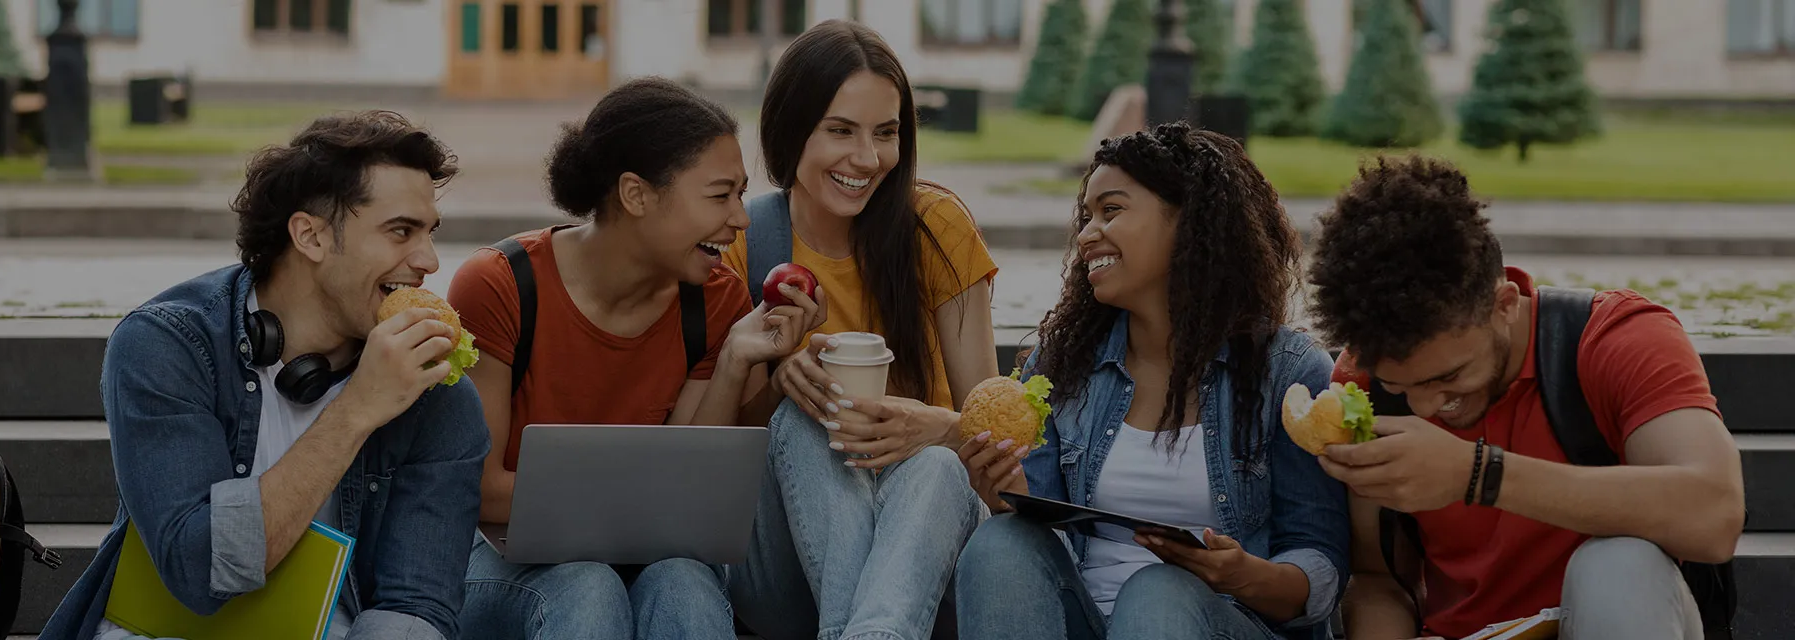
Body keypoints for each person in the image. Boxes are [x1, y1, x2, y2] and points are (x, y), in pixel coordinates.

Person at [38, 111, 490, 640]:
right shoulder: (169, 346)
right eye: (400, 232)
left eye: (430, 232)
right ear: (311, 236)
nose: (430, 261)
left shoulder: (435, 389)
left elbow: (416, 608)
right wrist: (356, 410)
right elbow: (200, 571)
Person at [1304, 155, 1745, 640]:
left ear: (1505, 305)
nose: (1426, 407)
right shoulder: (1360, 386)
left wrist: (1476, 475)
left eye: (1449, 376)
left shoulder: (1617, 339)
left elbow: (1714, 515)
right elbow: (1378, 580)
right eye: (1399, 387)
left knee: (1618, 563)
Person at [443, 77, 823, 639]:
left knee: (687, 584)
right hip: (499, 565)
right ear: (636, 195)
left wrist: (736, 362)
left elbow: (689, 497)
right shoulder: (500, 285)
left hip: (646, 562)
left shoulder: (715, 298)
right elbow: (482, 491)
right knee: (588, 585)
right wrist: (637, 502)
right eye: (720, 195)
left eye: (741, 194)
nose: (742, 219)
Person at [949, 124, 1352, 640]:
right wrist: (1007, 491)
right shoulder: (1061, 364)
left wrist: (1245, 575)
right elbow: (1039, 508)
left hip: (1224, 620)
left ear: (1189, 221)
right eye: (1087, 216)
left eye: (1111, 210)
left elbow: (1320, 571)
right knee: (999, 543)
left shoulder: (1289, 373)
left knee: (1157, 590)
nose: (1088, 233)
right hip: (1088, 620)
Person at [717, 19, 1001, 640]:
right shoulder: (746, 243)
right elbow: (719, 466)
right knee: (801, 415)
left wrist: (943, 427)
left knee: (938, 467)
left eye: (886, 133)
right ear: (792, 131)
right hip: (780, 565)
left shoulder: (936, 229)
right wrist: (777, 384)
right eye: (840, 131)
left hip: (923, 544)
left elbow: (994, 427)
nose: (867, 160)